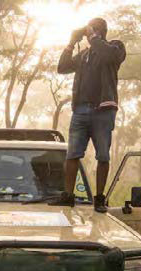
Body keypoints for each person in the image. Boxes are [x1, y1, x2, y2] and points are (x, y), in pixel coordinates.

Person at [51, 17, 126, 213]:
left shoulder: (115, 47)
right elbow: (62, 68)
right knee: (73, 154)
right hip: (81, 109)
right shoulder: (84, 54)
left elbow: (109, 56)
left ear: (102, 31)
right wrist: (70, 43)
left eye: (94, 30)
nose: (89, 33)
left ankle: (99, 198)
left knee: (103, 155)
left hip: (104, 109)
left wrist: (92, 36)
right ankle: (68, 196)